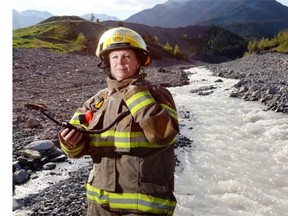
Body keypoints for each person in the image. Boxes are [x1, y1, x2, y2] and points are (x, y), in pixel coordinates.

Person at [58, 26, 179, 216]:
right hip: (99, 204)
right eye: (114, 57)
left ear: (139, 61)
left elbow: (162, 135)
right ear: (107, 62)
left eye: (127, 56)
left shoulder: (157, 94)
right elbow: (74, 149)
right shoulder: (97, 101)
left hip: (143, 207)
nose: (120, 63)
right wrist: (70, 142)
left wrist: (133, 92)